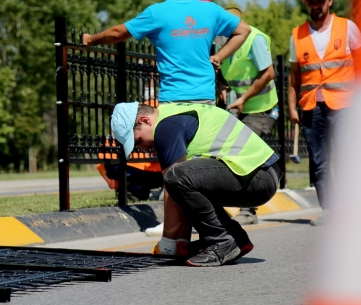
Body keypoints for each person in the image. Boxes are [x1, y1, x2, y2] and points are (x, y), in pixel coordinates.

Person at [111, 101, 282, 267]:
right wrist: (182, 242)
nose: (142, 148)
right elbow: (184, 194)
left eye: (138, 140)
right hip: (262, 174)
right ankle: (235, 238)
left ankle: (222, 241)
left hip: (258, 177)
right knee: (182, 178)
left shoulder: (165, 127)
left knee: (175, 175)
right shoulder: (171, 113)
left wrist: (168, 242)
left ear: (144, 121)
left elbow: (173, 186)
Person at [82, 0, 252, 104]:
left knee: (175, 160)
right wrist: (218, 57)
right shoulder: (211, 10)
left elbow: (118, 33)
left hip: (173, 99)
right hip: (204, 98)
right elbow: (244, 30)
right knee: (201, 158)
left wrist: (91, 40)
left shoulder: (157, 12)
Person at [287, 0, 361, 225]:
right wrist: (292, 107)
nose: (315, 6)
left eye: (320, 1)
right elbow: (294, 76)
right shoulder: (297, 35)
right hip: (312, 107)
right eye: (311, 2)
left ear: (329, 1)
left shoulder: (347, 27)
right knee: (319, 161)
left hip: (344, 105)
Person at [219, 8, 279, 137]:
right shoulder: (221, 42)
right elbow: (222, 71)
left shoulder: (254, 39)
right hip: (238, 109)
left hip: (260, 109)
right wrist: (220, 86)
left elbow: (268, 74)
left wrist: (243, 99)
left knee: (246, 150)